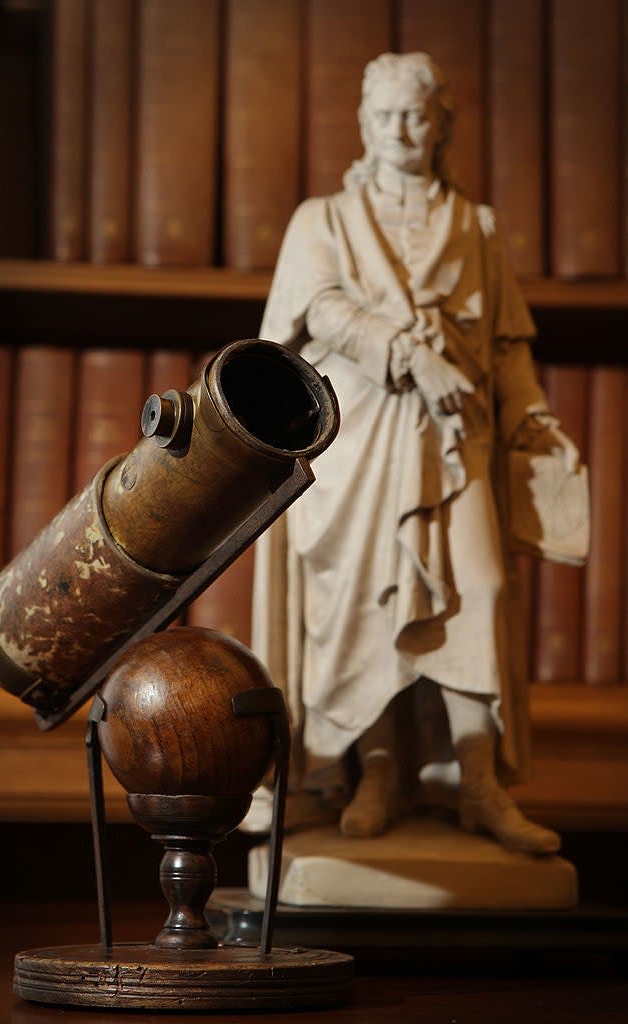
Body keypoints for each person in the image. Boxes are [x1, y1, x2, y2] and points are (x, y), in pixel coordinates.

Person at [250, 52, 582, 855]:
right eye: (386, 116)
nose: (402, 130)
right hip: (355, 443)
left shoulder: (478, 225)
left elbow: (505, 347)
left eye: (416, 115)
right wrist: (407, 353)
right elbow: (319, 308)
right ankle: (377, 773)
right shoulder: (320, 218)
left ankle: (477, 783)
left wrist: (529, 416)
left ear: (441, 126)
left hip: (454, 438)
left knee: (480, 590)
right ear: (363, 126)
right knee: (368, 608)